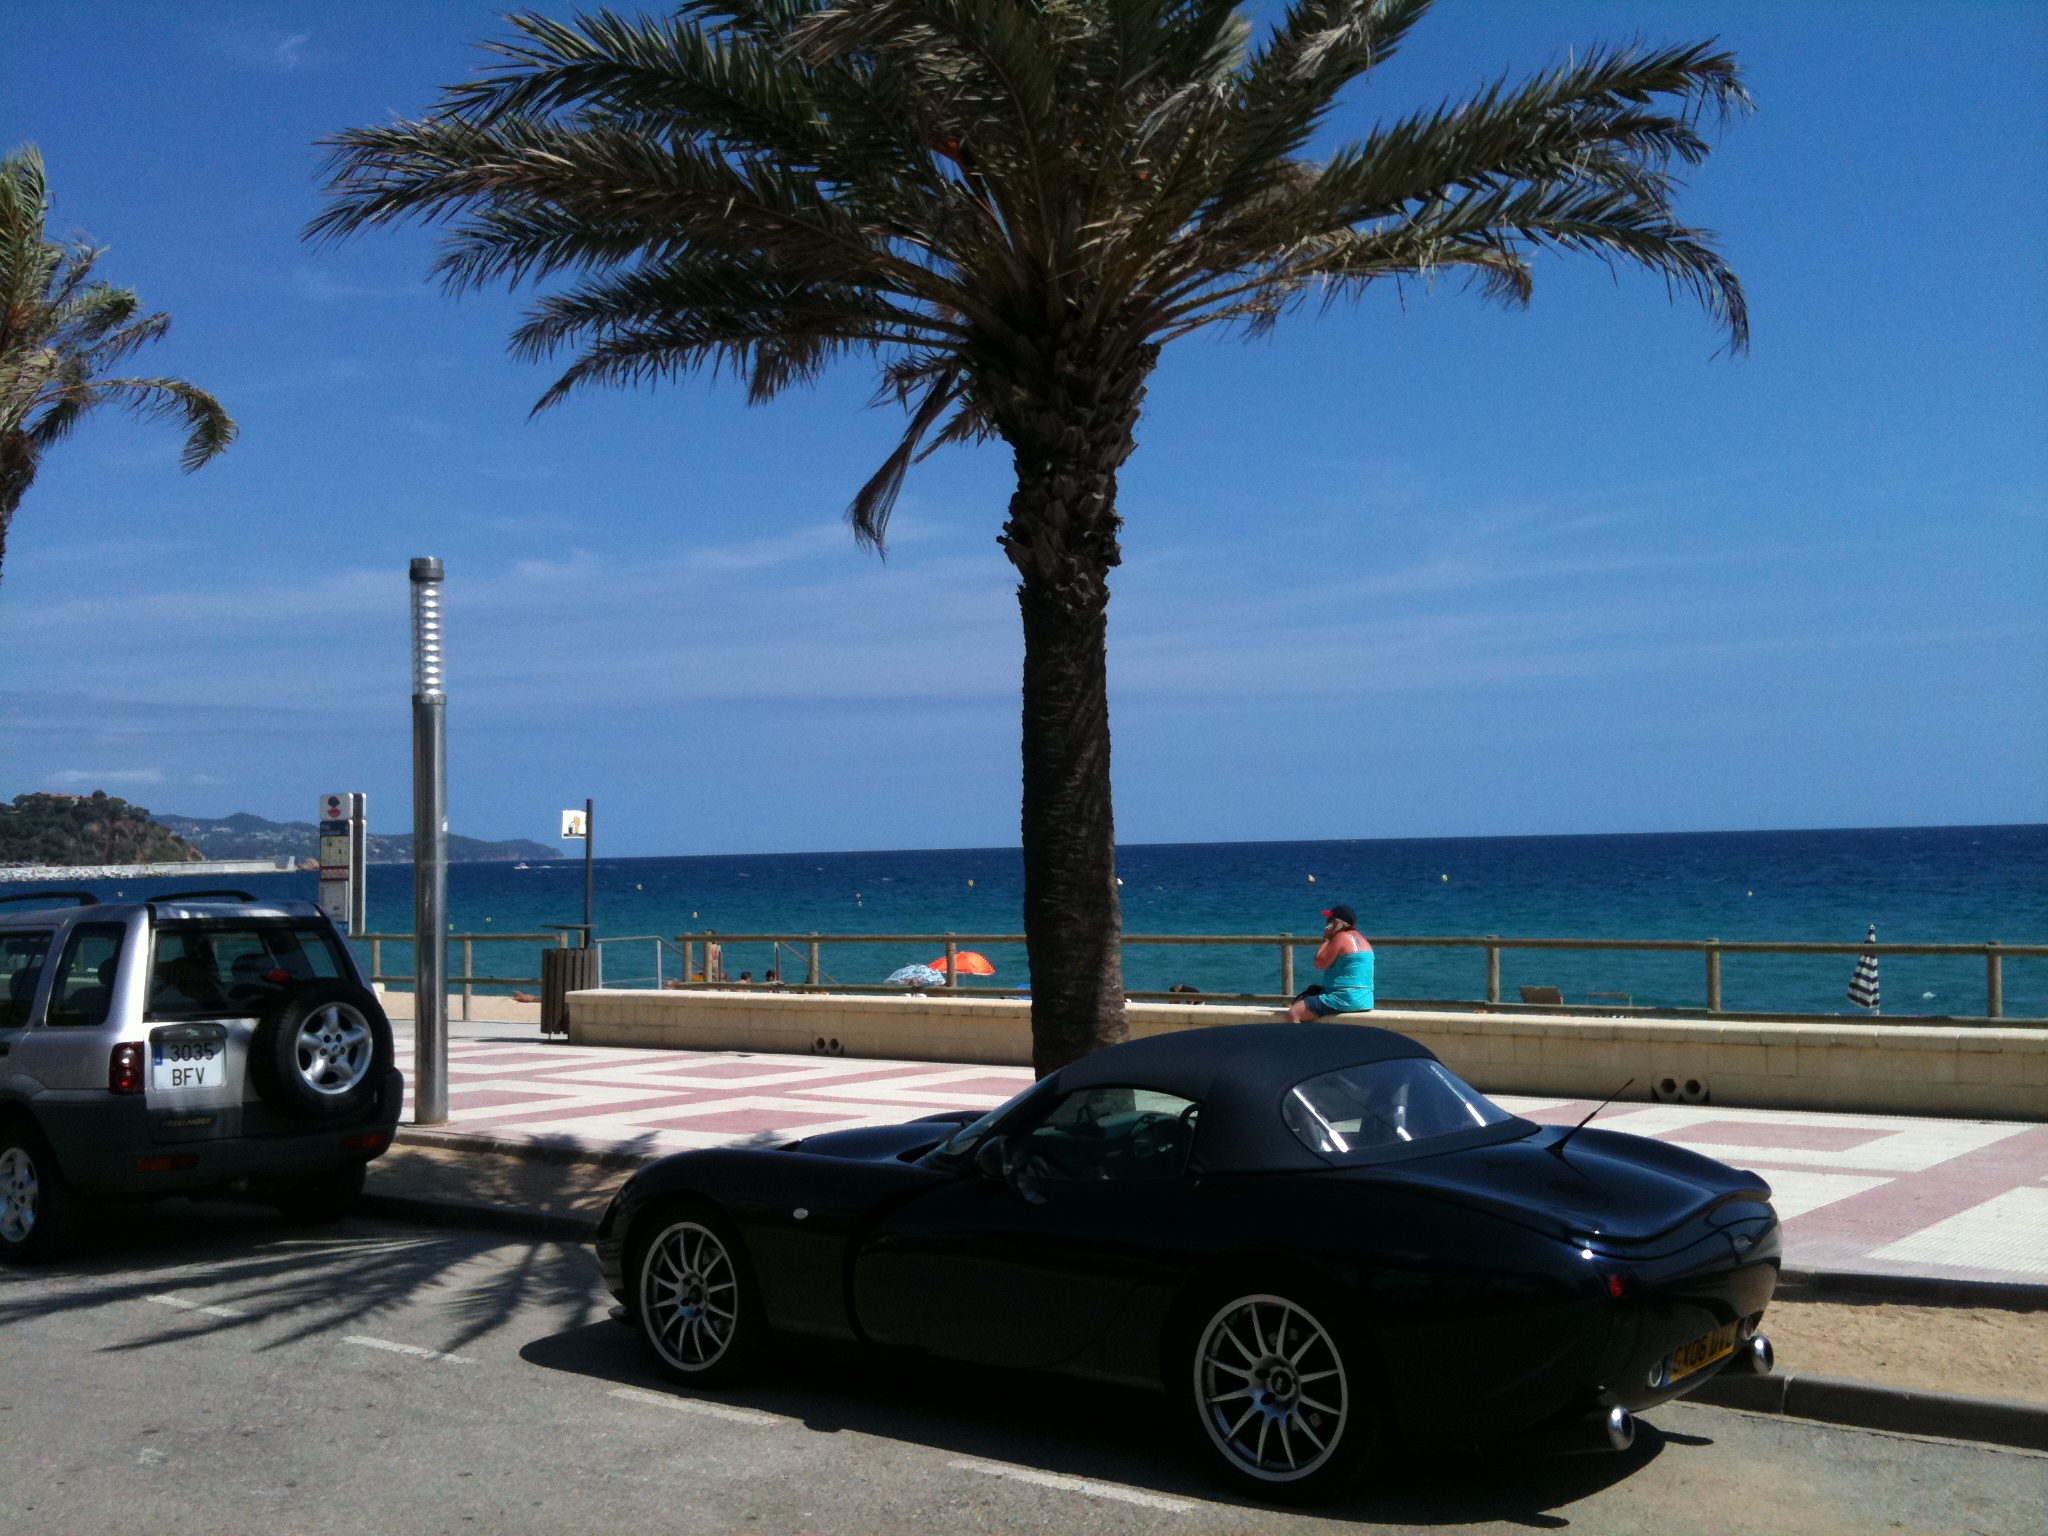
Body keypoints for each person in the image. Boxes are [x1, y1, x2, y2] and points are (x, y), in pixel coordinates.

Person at [1285, 904, 1374, 1021]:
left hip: (1343, 998)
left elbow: (1319, 963)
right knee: (1305, 997)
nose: (1327, 924)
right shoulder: (1364, 941)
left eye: (1330, 921)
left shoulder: (1341, 937)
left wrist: (1326, 939)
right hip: (1365, 1000)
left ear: (1338, 924)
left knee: (1293, 1014)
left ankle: (1301, 1040)